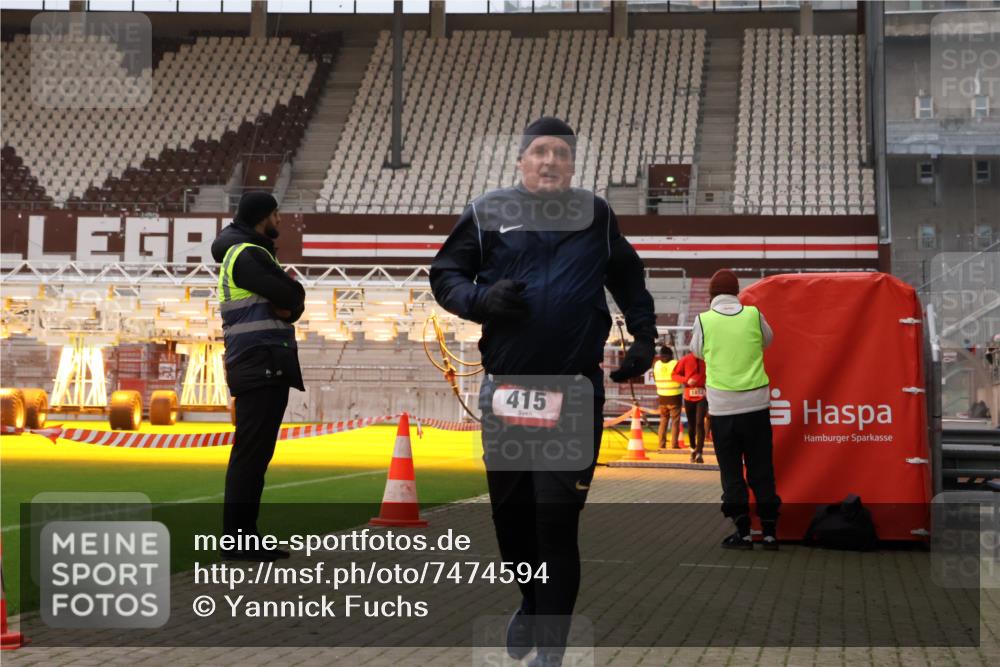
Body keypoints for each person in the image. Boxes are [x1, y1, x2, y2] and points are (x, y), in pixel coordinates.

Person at [430, 116, 656, 666]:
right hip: (508, 391)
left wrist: (645, 336)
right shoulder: (489, 212)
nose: (549, 161)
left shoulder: (597, 215)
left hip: (574, 391)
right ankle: (532, 603)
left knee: (556, 521)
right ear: (521, 161)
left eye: (560, 153)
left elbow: (628, 277)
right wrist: (479, 300)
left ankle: (551, 652)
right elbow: (445, 274)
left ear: (573, 164)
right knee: (512, 521)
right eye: (539, 152)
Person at [211, 191, 305, 561]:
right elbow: (290, 294)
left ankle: (245, 535)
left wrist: (290, 303)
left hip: (260, 360)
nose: (280, 220)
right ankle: (238, 540)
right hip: (259, 360)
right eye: (276, 214)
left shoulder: (248, 252)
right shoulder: (248, 255)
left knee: (254, 454)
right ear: (263, 216)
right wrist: (293, 297)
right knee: (250, 455)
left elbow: (289, 305)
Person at [691, 269, 781, 551]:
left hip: (722, 408)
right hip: (756, 405)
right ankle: (769, 533)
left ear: (712, 294)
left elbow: (697, 351)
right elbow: (768, 340)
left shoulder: (704, 320)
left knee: (731, 472)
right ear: (737, 291)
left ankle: (742, 532)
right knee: (761, 468)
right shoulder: (753, 315)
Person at [672, 350, 708, 463]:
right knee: (692, 425)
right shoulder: (685, 360)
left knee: (699, 422)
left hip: (702, 396)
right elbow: (674, 375)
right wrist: (687, 380)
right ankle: (693, 448)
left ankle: (699, 452)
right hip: (688, 396)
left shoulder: (707, 359)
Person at [652, 346, 683, 450]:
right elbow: (681, 376)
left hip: (662, 396)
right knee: (675, 421)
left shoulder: (656, 364)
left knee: (663, 420)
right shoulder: (675, 363)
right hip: (675, 396)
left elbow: (655, 377)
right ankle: (674, 445)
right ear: (671, 355)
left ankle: (661, 445)